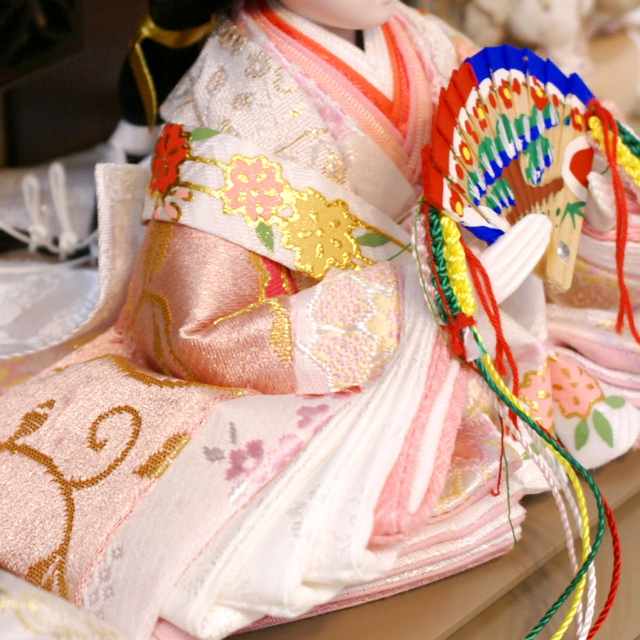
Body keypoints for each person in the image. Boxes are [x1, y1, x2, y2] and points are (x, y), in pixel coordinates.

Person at [0, 1, 638, 639]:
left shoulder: (427, 39)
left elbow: (518, 153)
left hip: (474, 325)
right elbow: (198, 333)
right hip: (329, 368)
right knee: (268, 514)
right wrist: (417, 299)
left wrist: (577, 172)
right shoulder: (227, 97)